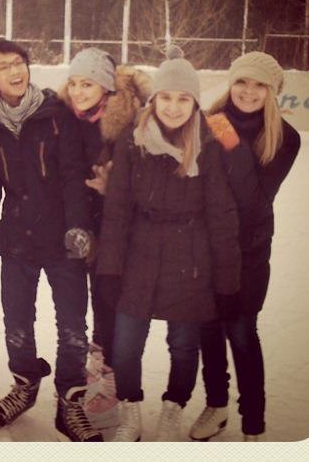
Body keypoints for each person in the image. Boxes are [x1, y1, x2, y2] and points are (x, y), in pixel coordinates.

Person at [0, 39, 104, 442]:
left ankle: (70, 401)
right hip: (17, 240)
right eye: (2, 68)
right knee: (16, 322)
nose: (13, 72)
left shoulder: (56, 114)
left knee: (72, 326)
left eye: (18, 62)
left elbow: (72, 176)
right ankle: (25, 385)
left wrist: (78, 228)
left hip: (64, 239)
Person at [95, 45, 242, 442]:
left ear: (194, 102)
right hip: (139, 255)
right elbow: (117, 211)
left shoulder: (210, 140)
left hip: (191, 258)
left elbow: (222, 215)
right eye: (166, 97)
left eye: (183, 99)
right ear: (154, 99)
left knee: (183, 345)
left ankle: (173, 411)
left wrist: (227, 281)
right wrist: (109, 268)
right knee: (126, 345)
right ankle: (130, 411)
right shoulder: (133, 140)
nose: (173, 108)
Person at [189, 51, 301, 442]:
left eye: (259, 85)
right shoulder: (204, 122)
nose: (248, 91)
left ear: (272, 91)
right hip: (205, 247)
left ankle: (253, 420)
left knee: (240, 331)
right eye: (242, 81)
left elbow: (253, 201)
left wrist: (229, 140)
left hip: (248, 252)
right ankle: (216, 404)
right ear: (230, 82)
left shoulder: (285, 138)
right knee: (207, 329)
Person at [57, 47, 151, 420]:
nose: (78, 91)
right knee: (98, 302)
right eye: (74, 83)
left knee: (115, 305)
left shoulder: (130, 121)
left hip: (124, 230)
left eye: (88, 84)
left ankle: (114, 382)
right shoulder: (68, 117)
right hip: (88, 226)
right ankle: (99, 373)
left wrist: (113, 189)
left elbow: (152, 182)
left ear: (106, 87)